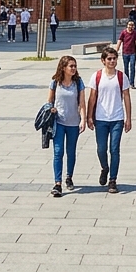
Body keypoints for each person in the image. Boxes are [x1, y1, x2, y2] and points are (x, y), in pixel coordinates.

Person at [86, 46, 132, 193]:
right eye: (109, 59)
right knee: (101, 149)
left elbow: (126, 97)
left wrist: (128, 118)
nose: (112, 61)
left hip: (117, 118)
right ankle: (105, 168)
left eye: (114, 58)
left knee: (114, 149)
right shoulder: (97, 76)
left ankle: (113, 180)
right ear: (103, 61)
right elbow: (92, 98)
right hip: (100, 118)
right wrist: (89, 117)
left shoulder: (121, 77)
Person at [46, 56, 87, 197]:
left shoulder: (78, 82)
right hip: (58, 122)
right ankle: (57, 183)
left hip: (73, 123)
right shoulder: (55, 82)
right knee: (58, 152)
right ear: (63, 67)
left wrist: (84, 119)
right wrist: (51, 109)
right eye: (71, 66)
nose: (74, 68)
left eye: (75, 66)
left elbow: (82, 103)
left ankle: (69, 177)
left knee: (71, 152)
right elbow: (49, 101)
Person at [116, 20, 136, 88]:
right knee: (126, 68)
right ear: (127, 25)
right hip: (125, 52)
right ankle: (126, 82)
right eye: (129, 25)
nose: (131, 26)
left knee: (132, 67)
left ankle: (132, 83)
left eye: (132, 25)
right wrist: (116, 50)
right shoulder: (123, 32)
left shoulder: (135, 33)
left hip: (133, 53)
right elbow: (119, 41)